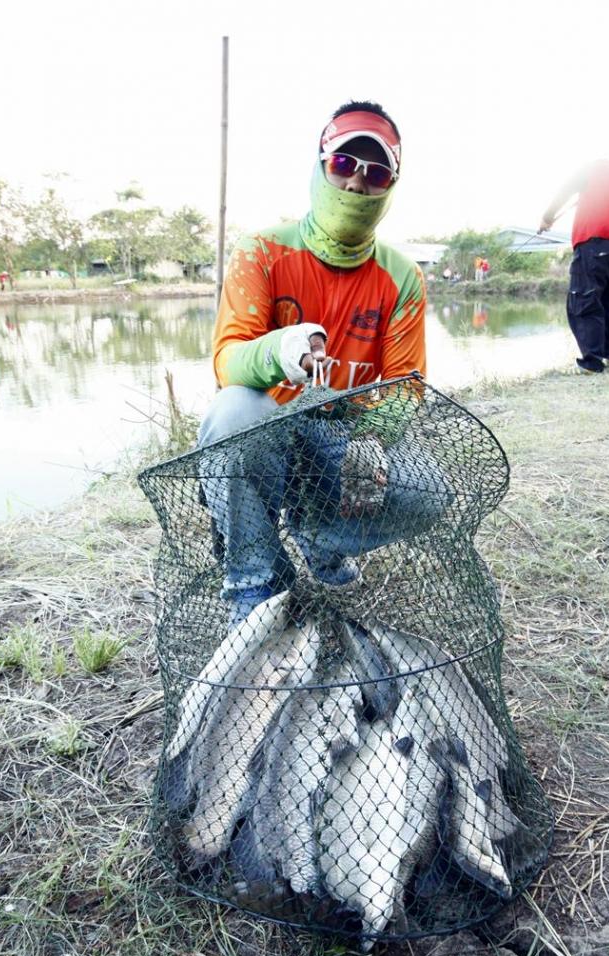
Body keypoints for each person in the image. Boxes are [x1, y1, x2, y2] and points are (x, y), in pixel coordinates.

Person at [197, 100, 450, 626]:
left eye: (375, 172)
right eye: (343, 165)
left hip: (340, 439)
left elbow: (406, 386)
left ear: (390, 187)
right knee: (231, 414)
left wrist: (373, 438)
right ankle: (255, 581)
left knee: (431, 492)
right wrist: (280, 351)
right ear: (320, 167)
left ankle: (318, 538)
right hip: (269, 426)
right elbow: (227, 362)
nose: (357, 184)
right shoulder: (261, 251)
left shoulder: (402, 277)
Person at [539, 160, 609, 374]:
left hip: (594, 244)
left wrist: (547, 218)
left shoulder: (595, 170)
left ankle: (592, 363)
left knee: (584, 299)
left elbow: (565, 189)